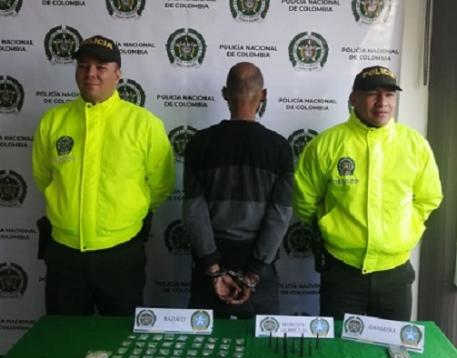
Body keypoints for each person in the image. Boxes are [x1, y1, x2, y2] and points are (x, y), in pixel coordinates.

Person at [32, 35, 175, 316]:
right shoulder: (53, 121)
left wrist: (125, 216)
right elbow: (43, 177)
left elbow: (161, 184)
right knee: (65, 336)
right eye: (83, 66)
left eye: (101, 67)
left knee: (121, 337)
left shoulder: (144, 124)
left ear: (117, 74)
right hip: (64, 255)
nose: (91, 74)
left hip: (120, 255)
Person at [293, 65, 443, 321]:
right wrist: (329, 225)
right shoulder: (325, 145)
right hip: (341, 272)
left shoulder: (415, 145)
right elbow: (304, 199)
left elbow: (429, 197)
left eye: (389, 94)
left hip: (395, 273)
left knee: (392, 345)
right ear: (353, 99)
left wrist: (407, 229)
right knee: (338, 345)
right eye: (373, 93)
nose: (382, 102)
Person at [183, 62, 294, 318]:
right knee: (261, 341)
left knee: (204, 340)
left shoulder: (199, 144)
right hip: (259, 268)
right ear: (263, 95)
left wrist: (213, 269)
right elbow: (280, 216)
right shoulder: (279, 148)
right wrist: (253, 274)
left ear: (225, 93)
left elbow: (193, 212)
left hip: (210, 265)